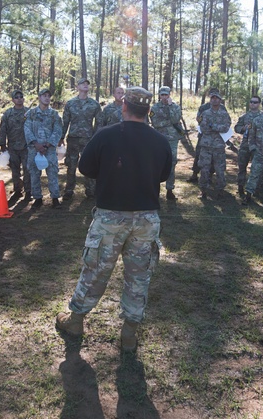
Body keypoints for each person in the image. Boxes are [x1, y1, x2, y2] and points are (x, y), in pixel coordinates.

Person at [54, 87, 172, 352]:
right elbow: (163, 175)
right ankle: (129, 332)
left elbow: (85, 168)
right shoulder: (161, 141)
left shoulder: (105, 135)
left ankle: (76, 321)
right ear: (149, 111)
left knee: (96, 270)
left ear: (123, 107)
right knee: (139, 276)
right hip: (145, 219)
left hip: (110, 217)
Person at [61, 78, 102, 200]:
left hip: (88, 140)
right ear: (77, 87)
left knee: (89, 165)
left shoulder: (94, 104)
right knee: (71, 165)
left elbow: (99, 122)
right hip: (73, 139)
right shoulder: (70, 103)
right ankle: (69, 190)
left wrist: (95, 137)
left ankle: (91, 191)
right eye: (83, 84)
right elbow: (65, 121)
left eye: (87, 84)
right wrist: (61, 137)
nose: (85, 85)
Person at [24, 88, 64, 208]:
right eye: (44, 95)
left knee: (52, 173)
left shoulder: (54, 114)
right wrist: (36, 144)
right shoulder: (30, 113)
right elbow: (27, 129)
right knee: (34, 173)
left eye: (48, 95)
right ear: (39, 97)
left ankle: (55, 198)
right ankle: (37, 198)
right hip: (34, 149)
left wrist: (47, 145)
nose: (47, 98)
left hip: (49, 149)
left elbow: (58, 130)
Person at [197, 89, 232, 200]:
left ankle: (220, 189)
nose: (214, 100)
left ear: (220, 100)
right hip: (206, 146)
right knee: (204, 169)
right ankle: (203, 190)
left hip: (218, 146)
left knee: (220, 169)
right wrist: (217, 128)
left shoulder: (224, 114)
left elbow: (226, 128)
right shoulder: (205, 113)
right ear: (210, 100)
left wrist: (213, 126)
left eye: (217, 98)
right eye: (212, 98)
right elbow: (203, 129)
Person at [150, 86, 183, 200]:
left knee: (172, 163)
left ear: (169, 95)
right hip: (159, 139)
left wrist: (170, 107)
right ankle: (155, 189)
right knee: (157, 163)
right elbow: (155, 123)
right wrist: (169, 122)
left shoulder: (175, 107)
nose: (164, 97)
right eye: (162, 95)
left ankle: (170, 189)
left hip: (173, 139)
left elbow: (176, 119)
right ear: (159, 95)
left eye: (166, 95)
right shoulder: (154, 107)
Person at [0, 89, 31, 201]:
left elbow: (34, 128)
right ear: (13, 100)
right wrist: (2, 145)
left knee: (28, 170)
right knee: (15, 170)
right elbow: (3, 130)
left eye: (21, 96)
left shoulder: (29, 112)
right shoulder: (8, 114)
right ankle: (17, 190)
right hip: (12, 147)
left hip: (26, 146)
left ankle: (28, 191)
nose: (19, 98)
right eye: (16, 97)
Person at [189, 88, 221, 183]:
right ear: (210, 97)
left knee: (214, 157)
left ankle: (209, 176)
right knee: (199, 154)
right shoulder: (203, 107)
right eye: (212, 96)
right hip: (203, 135)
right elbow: (199, 119)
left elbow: (225, 121)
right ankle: (195, 174)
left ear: (219, 98)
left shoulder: (222, 108)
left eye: (216, 97)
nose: (214, 99)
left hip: (217, 137)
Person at [234, 96, 263, 197]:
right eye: (251, 102)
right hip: (245, 145)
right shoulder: (244, 116)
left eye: (255, 102)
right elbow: (236, 128)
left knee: (257, 169)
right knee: (242, 167)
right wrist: (243, 128)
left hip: (258, 146)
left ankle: (255, 189)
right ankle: (240, 187)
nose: (253, 104)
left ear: (259, 104)